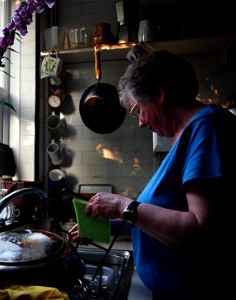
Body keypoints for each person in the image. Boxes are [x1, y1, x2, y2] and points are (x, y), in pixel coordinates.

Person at [67, 50, 236, 300]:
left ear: (159, 94)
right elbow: (158, 220)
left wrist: (124, 205)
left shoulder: (206, 127)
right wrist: (104, 225)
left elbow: (201, 231)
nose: (141, 123)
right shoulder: (189, 135)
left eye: (138, 110)